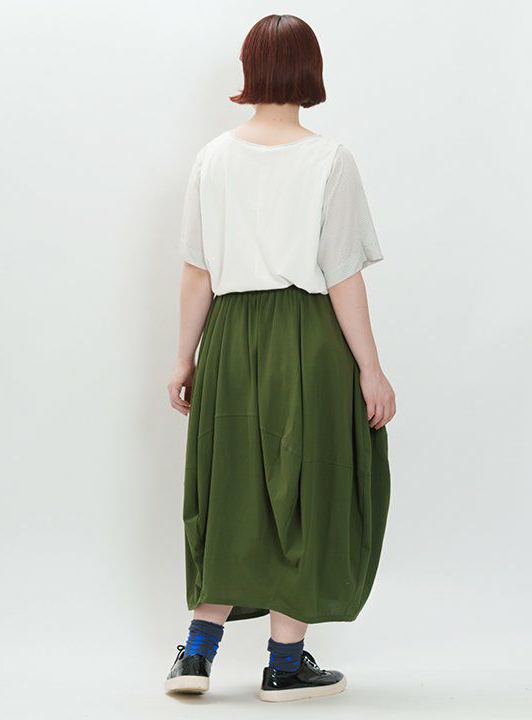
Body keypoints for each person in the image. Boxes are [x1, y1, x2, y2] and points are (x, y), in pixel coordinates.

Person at [165, 14, 394, 703]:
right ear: (310, 71)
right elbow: (342, 274)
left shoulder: (212, 158)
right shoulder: (330, 159)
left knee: (229, 485)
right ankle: (284, 664)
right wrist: (371, 369)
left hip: (231, 338)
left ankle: (196, 655)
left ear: (250, 69)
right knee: (307, 489)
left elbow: (198, 272)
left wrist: (183, 358)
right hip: (308, 335)